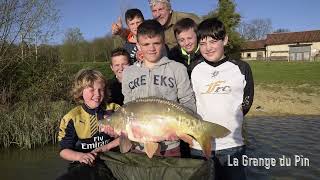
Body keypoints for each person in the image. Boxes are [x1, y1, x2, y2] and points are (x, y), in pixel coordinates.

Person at [190, 18, 254, 180]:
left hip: (232, 146)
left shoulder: (241, 68)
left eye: (213, 41)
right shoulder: (194, 68)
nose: (208, 48)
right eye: (203, 43)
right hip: (200, 146)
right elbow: (188, 102)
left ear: (225, 39)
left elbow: (246, 103)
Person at [121, 19, 196, 157]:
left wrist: (182, 130)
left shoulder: (178, 69)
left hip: (170, 146)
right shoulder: (129, 72)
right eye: (146, 44)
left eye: (156, 43)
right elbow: (128, 105)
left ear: (163, 43)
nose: (151, 48)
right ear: (137, 45)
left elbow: (188, 102)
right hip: (138, 146)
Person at [57, 69, 120, 180]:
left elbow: (127, 137)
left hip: (111, 161)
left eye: (101, 90)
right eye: (92, 90)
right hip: (82, 165)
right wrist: (81, 156)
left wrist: (107, 146)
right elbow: (63, 151)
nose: (97, 94)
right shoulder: (71, 118)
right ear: (81, 91)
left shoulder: (115, 110)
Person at [111, 0, 200, 49]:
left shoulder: (187, 18)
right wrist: (120, 32)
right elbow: (137, 31)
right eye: (154, 11)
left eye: (161, 9)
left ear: (169, 9)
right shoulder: (152, 25)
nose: (157, 14)